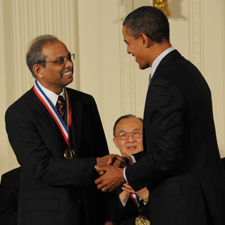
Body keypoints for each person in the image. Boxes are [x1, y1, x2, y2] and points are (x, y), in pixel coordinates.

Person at [95, 6, 225, 225]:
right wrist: (130, 160)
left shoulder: (165, 81)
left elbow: (167, 154)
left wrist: (123, 175)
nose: (128, 50)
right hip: (202, 197)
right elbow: (182, 144)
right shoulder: (187, 70)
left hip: (183, 205)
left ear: (144, 39)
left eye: (128, 42)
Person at [5, 35, 118, 225]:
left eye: (69, 57)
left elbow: (103, 162)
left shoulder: (85, 102)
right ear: (38, 70)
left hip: (90, 214)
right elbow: (42, 168)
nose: (69, 64)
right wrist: (95, 163)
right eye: (60, 61)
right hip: (47, 216)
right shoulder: (19, 113)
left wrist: (110, 216)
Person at [113, 114, 149, 224]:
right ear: (115, 142)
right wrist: (122, 198)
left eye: (136, 133)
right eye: (123, 135)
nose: (130, 139)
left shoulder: (161, 169)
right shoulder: (107, 176)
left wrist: (146, 196)